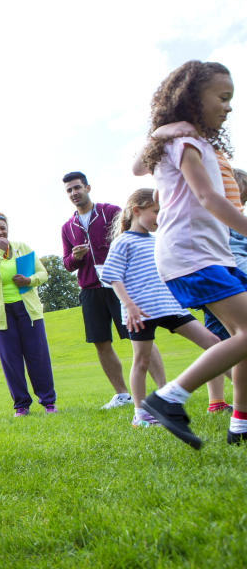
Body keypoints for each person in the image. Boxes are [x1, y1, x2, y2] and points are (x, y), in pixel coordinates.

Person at [132, 60, 247, 449]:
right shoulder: (184, 139)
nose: (229, 107)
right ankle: (170, 397)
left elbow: (137, 165)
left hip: (208, 254)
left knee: (241, 335)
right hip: (193, 255)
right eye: (223, 97)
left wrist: (160, 132)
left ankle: (241, 424)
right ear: (193, 98)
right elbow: (206, 196)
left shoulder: (181, 138)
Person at [102, 188, 228, 427]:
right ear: (137, 211)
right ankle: (140, 414)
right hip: (141, 312)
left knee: (213, 343)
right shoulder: (123, 242)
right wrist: (129, 305)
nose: (159, 218)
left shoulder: (158, 240)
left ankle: (238, 391)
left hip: (171, 307)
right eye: (155, 212)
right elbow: (112, 276)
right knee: (142, 360)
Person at [61, 171, 139, 409]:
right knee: (101, 342)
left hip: (118, 284)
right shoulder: (68, 227)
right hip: (90, 289)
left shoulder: (111, 212)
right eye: (69, 190)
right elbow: (66, 263)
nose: (74, 193)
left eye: (77, 188)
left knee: (139, 336)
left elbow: (130, 240)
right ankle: (122, 394)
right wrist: (75, 257)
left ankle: (157, 390)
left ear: (88, 187)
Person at [0, 213, 56, 416]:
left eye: (2, 227)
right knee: (11, 361)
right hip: (0, 315)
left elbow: (43, 274)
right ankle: (21, 405)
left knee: (38, 357)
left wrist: (28, 280)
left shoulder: (23, 248)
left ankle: (48, 402)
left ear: (8, 228)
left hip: (28, 310)